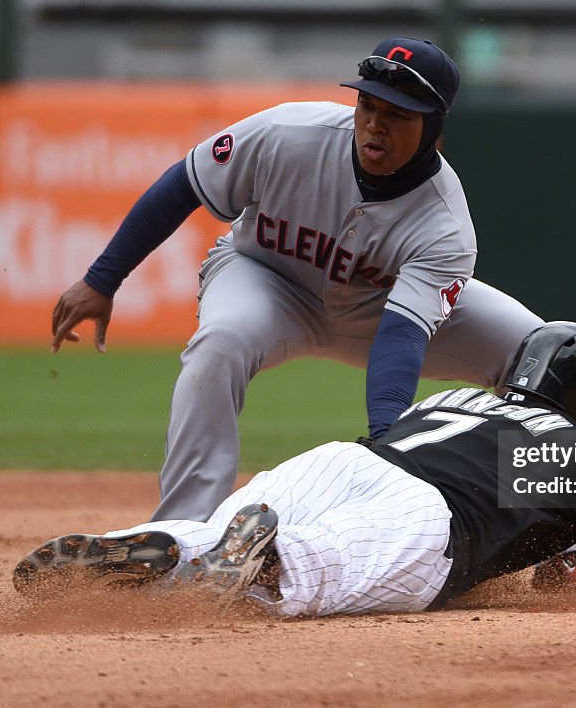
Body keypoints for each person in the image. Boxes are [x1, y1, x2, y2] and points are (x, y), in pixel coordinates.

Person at [49, 35, 543, 523]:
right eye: (368, 105)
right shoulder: (287, 132)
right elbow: (184, 183)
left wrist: (385, 439)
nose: (375, 124)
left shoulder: (445, 226)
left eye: (398, 115)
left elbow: (401, 336)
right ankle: (180, 529)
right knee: (220, 342)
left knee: (550, 354)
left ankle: (575, 535)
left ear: (433, 128)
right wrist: (102, 279)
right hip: (266, 279)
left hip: (378, 310)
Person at [14, 322, 576, 615]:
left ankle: (158, 543)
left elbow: (554, 559)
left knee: (220, 528)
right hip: (427, 516)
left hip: (341, 462)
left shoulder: (456, 400)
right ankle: (261, 559)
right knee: (312, 574)